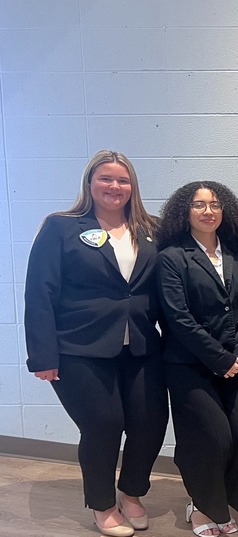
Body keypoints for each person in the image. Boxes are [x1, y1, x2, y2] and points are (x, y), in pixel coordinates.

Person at [24, 150, 167, 537]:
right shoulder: (61, 227)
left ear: (132, 187)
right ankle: (102, 505)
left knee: (151, 424)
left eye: (123, 180)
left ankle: (131, 493)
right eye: (105, 178)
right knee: (104, 424)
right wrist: (42, 355)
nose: (114, 186)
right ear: (89, 183)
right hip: (78, 348)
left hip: (140, 346)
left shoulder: (150, 228)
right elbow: (40, 292)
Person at [157, 181, 238, 537]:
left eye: (215, 204)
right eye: (199, 205)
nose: (208, 211)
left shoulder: (234, 254)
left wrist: (236, 355)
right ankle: (202, 509)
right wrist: (219, 358)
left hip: (235, 363)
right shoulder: (171, 257)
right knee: (213, 439)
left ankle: (220, 503)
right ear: (185, 211)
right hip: (189, 366)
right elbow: (177, 317)